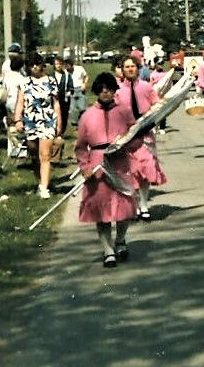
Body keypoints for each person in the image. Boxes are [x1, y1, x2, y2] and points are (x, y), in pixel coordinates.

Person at [75, 72, 138, 268]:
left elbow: (136, 136)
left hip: (119, 163)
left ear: (114, 90)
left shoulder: (124, 111)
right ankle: (107, 249)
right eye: (102, 89)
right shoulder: (87, 115)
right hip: (97, 165)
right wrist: (84, 167)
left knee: (123, 207)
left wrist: (126, 144)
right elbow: (80, 146)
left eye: (109, 88)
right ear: (96, 91)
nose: (105, 92)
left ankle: (120, 239)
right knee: (101, 210)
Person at [115, 56, 167, 220]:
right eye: (127, 67)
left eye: (133, 66)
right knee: (132, 172)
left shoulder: (146, 87)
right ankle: (135, 204)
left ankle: (144, 204)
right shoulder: (117, 90)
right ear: (122, 70)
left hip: (144, 135)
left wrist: (153, 114)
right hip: (127, 136)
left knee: (146, 169)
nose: (130, 69)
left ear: (137, 69)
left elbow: (157, 106)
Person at [13, 53, 62, 198]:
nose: (34, 67)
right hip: (30, 121)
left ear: (42, 65)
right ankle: (40, 182)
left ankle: (44, 189)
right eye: (31, 64)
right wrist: (18, 120)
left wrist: (59, 122)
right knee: (34, 154)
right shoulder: (24, 82)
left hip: (47, 120)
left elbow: (56, 103)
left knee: (45, 155)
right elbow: (20, 102)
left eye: (37, 64)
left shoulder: (51, 81)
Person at [53, 57, 74, 136]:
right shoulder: (51, 76)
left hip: (64, 100)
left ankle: (61, 132)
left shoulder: (67, 75)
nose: (58, 66)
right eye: (56, 64)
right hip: (54, 99)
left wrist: (69, 93)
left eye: (60, 64)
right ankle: (55, 131)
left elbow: (71, 87)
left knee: (64, 116)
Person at [66, 59, 89, 125]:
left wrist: (84, 84)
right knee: (72, 108)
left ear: (72, 65)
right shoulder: (65, 72)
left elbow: (86, 76)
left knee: (82, 107)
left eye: (68, 66)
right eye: (66, 67)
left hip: (80, 89)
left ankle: (83, 119)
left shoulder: (80, 69)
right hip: (71, 90)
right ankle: (74, 122)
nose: (68, 68)